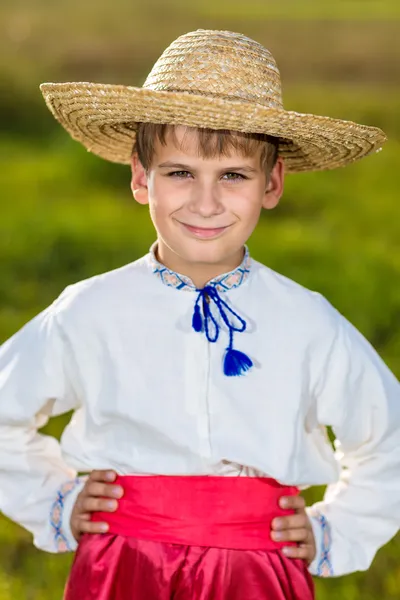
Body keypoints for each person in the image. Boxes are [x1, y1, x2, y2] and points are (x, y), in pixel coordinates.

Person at [0, 28, 399, 600]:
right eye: (180, 172)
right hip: (125, 560)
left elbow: (389, 435)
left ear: (272, 182)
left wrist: (336, 531)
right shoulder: (91, 310)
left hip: (256, 567)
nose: (206, 202)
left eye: (233, 175)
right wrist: (55, 503)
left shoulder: (307, 321)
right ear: (142, 178)